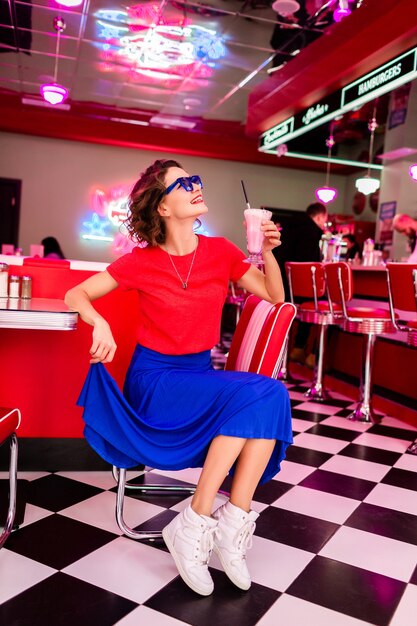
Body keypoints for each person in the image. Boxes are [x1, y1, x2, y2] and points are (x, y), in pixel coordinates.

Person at [65, 159, 292, 597]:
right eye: (182, 184)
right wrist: (100, 323)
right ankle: (196, 522)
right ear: (163, 208)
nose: (195, 186)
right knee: (261, 395)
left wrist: (266, 252)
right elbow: (77, 294)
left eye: (196, 180)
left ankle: (225, 523)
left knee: (269, 396)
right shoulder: (141, 262)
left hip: (197, 376)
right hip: (154, 383)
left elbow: (275, 297)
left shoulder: (222, 251)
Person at [273, 202, 328, 365]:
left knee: (311, 301)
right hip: (298, 293)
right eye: (324, 219)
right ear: (319, 217)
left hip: (282, 289)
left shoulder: (288, 228)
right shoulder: (312, 233)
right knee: (324, 303)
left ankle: (296, 349)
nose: (324, 223)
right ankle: (313, 356)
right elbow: (309, 265)